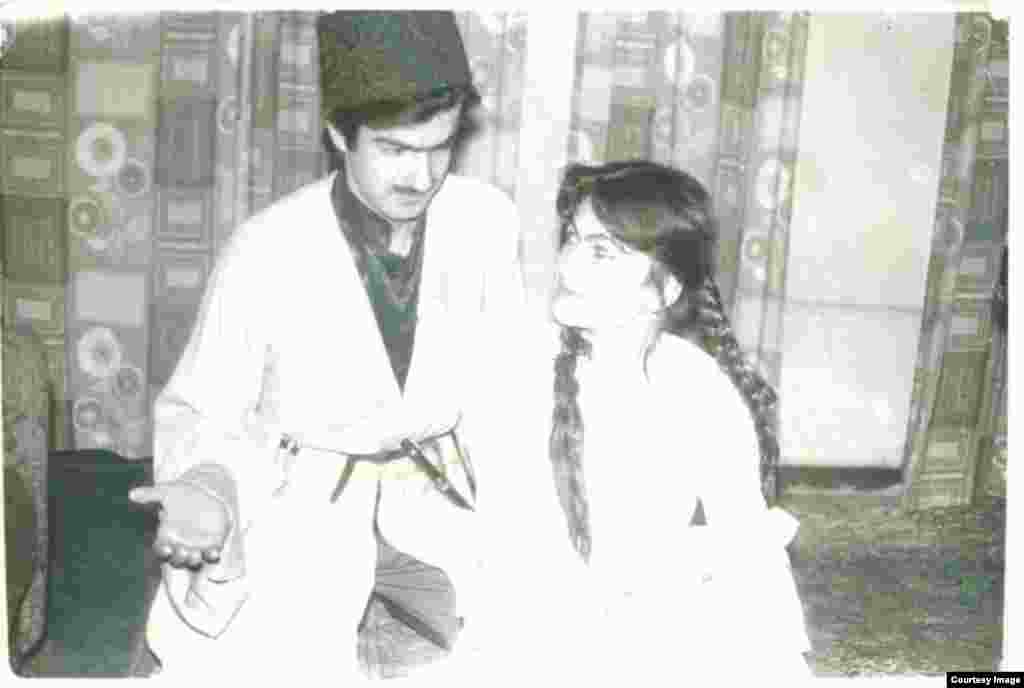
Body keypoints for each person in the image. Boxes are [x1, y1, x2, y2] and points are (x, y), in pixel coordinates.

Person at [129, 11, 530, 682]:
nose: (421, 175)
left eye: (439, 147)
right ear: (340, 134)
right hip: (304, 498)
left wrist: (524, 514)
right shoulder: (266, 249)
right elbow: (204, 409)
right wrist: (207, 489)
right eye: (394, 150)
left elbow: (506, 390)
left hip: (439, 494)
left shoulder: (485, 222)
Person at [531, 160, 813, 681]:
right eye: (571, 239)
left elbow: (748, 543)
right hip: (540, 619)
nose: (567, 266)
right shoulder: (521, 369)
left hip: (645, 612)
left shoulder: (696, 384)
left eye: (602, 252)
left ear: (664, 291)